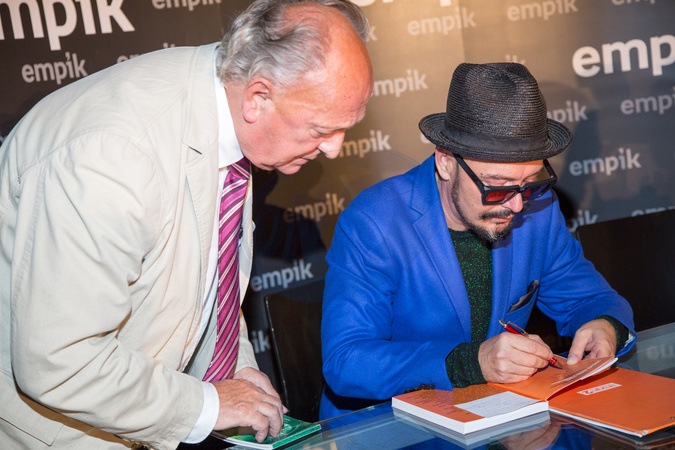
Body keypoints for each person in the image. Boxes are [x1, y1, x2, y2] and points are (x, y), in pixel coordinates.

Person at [0, 0, 372, 448]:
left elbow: (197, 276)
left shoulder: (225, 109)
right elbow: (58, 361)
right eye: (320, 130)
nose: (334, 149)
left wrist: (235, 366)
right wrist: (210, 405)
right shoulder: (114, 156)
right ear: (258, 97)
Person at [320, 62, 635, 419]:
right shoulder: (375, 222)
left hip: (499, 418)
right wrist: (472, 362)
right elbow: (347, 361)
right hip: (391, 426)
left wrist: (604, 326)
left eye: (529, 181)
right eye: (497, 187)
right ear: (445, 162)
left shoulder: (539, 208)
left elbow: (593, 298)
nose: (517, 205)